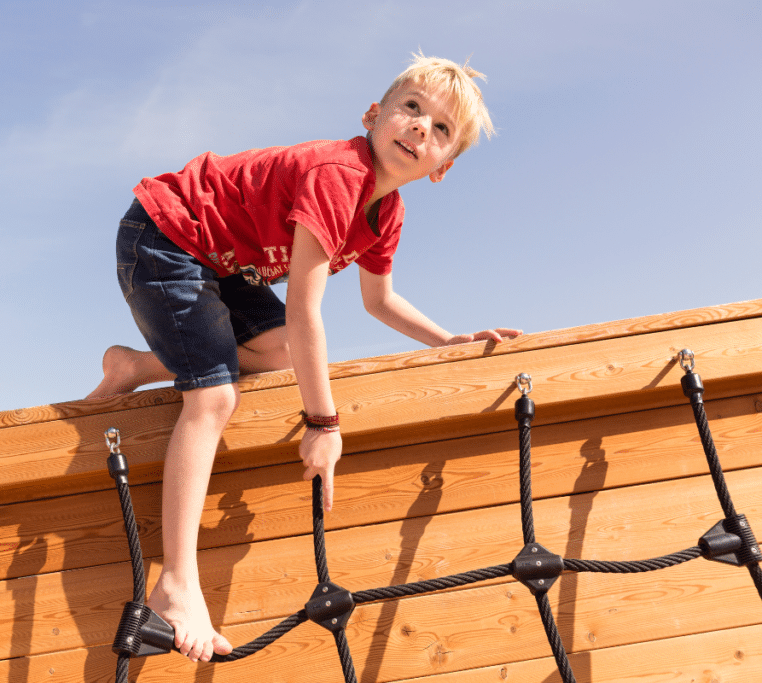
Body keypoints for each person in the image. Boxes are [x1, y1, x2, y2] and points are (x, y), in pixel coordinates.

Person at [87, 51, 522, 663]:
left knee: (284, 353)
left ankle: (135, 367)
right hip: (168, 235)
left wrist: (446, 340)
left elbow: (380, 299)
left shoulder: (385, 211)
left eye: (442, 129)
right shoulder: (339, 173)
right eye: (412, 109)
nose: (422, 127)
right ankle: (176, 583)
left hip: (223, 262)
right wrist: (323, 423)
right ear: (375, 115)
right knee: (213, 396)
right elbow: (305, 307)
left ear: (442, 168)